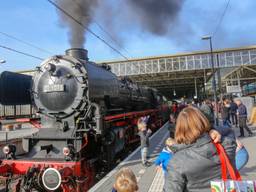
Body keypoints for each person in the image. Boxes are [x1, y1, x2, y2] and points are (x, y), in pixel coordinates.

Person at [165, 107, 237, 192]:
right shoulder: (226, 145)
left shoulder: (177, 161)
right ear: (203, 121)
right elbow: (229, 131)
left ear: (179, 128)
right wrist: (212, 129)